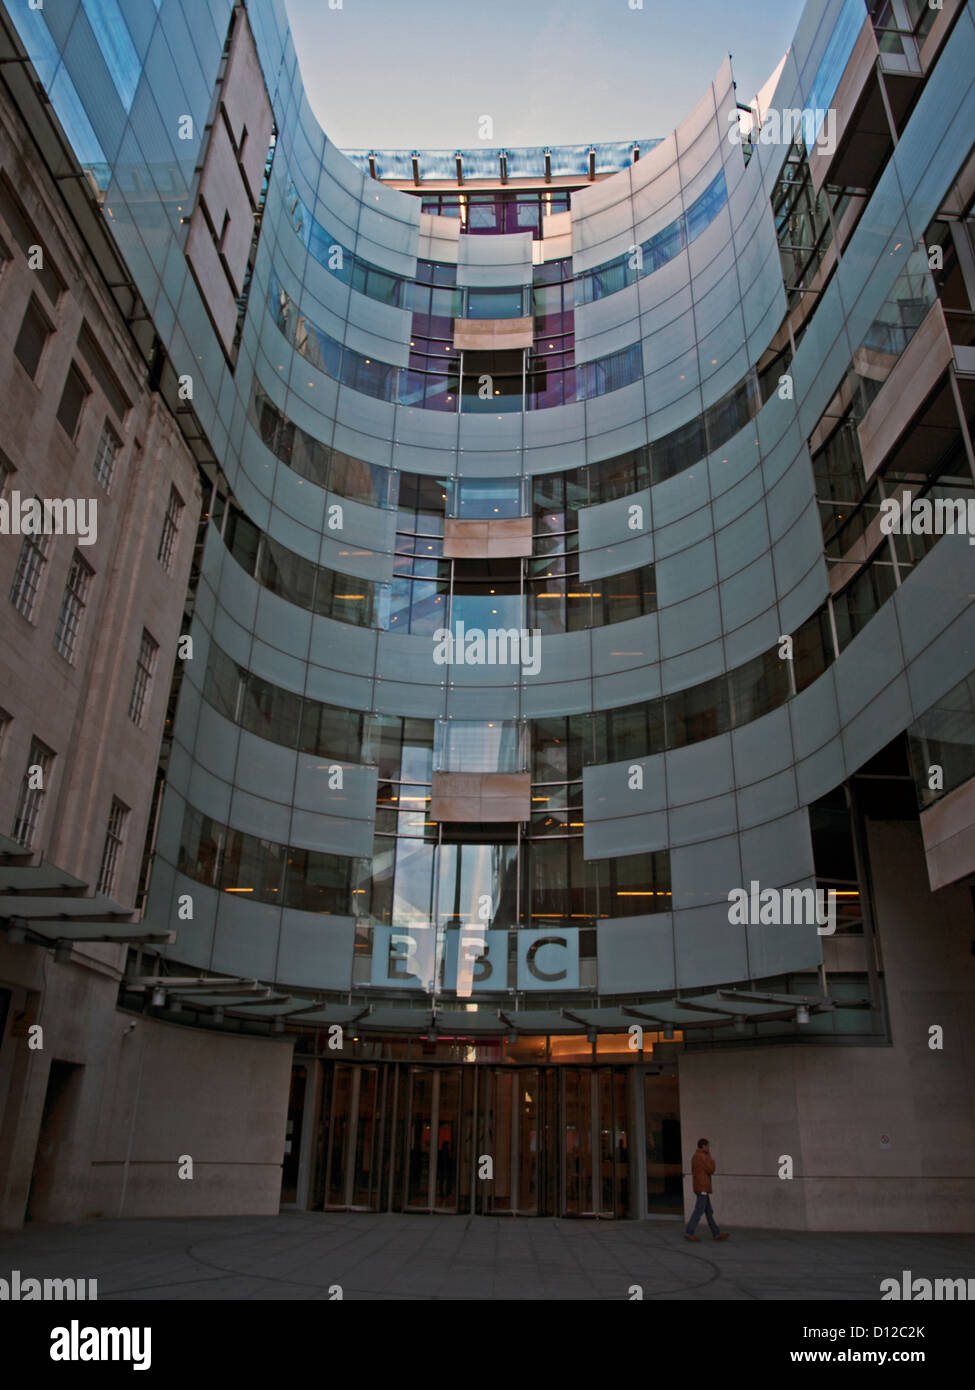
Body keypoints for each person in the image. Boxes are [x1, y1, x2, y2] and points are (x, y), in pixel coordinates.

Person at [684, 1138, 730, 1242]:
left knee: (708, 1211)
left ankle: (716, 1233)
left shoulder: (695, 1156)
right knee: (699, 1210)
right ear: (703, 1146)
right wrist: (710, 1157)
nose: (709, 1148)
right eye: (708, 1146)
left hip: (700, 1187)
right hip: (703, 1187)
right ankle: (689, 1232)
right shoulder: (702, 1157)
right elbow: (711, 1169)